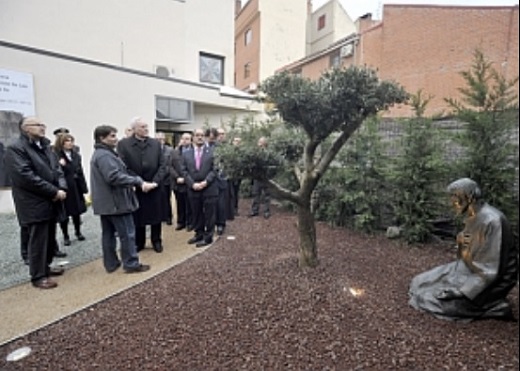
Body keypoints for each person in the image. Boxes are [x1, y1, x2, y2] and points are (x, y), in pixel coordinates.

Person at [409, 178, 519, 322]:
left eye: (455, 196)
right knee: (418, 282)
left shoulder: (493, 221)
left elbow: (490, 270)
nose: (452, 201)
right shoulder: (473, 217)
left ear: (469, 197)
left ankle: (493, 307)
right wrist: (461, 244)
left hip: (489, 282)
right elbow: (464, 257)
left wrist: (460, 291)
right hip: (466, 268)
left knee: (427, 299)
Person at [4, 116, 68, 289]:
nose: (42, 127)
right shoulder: (16, 148)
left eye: (43, 124)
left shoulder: (46, 146)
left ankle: (45, 267)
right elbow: (25, 176)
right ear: (25, 128)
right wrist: (53, 191)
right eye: (37, 125)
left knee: (49, 237)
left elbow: (57, 170)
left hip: (52, 200)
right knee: (37, 240)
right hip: (33, 202)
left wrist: (61, 188)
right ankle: (38, 276)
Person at [90, 125, 154, 273]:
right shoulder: (105, 155)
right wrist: (137, 181)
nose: (116, 138)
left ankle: (111, 263)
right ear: (102, 138)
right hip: (116, 203)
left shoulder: (101, 153)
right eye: (112, 136)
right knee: (127, 234)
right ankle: (131, 264)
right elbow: (113, 176)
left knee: (108, 234)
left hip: (107, 204)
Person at [117, 117, 165, 253]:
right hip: (137, 186)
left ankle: (156, 240)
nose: (146, 129)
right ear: (134, 129)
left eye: (146, 126)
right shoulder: (124, 144)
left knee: (156, 215)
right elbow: (123, 166)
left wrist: (155, 182)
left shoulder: (155, 144)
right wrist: (140, 182)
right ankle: (140, 242)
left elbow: (163, 165)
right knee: (138, 216)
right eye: (142, 127)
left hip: (155, 185)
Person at [181, 128, 218, 247]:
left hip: (209, 188)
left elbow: (215, 169)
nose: (200, 137)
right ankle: (199, 234)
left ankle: (208, 237)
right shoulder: (186, 154)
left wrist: (205, 182)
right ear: (193, 138)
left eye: (202, 135)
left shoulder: (212, 152)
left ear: (205, 137)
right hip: (193, 189)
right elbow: (183, 171)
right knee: (196, 213)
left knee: (209, 214)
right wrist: (192, 184)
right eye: (197, 135)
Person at [54, 133, 89, 245]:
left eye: (71, 141)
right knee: (64, 213)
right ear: (61, 143)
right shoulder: (56, 156)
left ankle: (78, 232)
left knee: (76, 212)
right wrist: (60, 165)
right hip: (64, 186)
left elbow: (80, 171)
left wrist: (84, 188)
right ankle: (65, 236)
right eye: (67, 141)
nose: (70, 143)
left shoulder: (76, 155)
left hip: (75, 186)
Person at [172, 132, 193, 231]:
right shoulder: (175, 152)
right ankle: (181, 222)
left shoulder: (194, 151)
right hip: (178, 182)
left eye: (187, 139)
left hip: (189, 182)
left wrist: (186, 178)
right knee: (179, 203)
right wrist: (177, 177)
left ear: (191, 140)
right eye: (183, 138)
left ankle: (190, 223)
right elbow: (169, 166)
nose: (185, 140)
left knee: (189, 204)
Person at [248, 136, 271, 219]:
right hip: (257, 177)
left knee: (266, 195)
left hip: (265, 177)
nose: (259, 144)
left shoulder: (268, 153)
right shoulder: (256, 153)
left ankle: (266, 211)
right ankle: (255, 210)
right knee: (256, 194)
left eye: (260, 142)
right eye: (259, 142)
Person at [155, 131, 174, 226]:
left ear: (164, 140)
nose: (159, 141)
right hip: (156, 180)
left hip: (167, 180)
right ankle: (160, 216)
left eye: (161, 139)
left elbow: (170, 165)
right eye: (157, 139)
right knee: (158, 199)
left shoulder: (170, 150)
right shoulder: (153, 150)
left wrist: (162, 174)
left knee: (167, 199)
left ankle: (168, 217)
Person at [230, 136, 243, 216]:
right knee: (229, 193)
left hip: (238, 176)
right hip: (230, 175)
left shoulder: (242, 153)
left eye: (238, 141)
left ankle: (235, 209)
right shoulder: (229, 151)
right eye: (235, 140)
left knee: (236, 192)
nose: (237, 142)